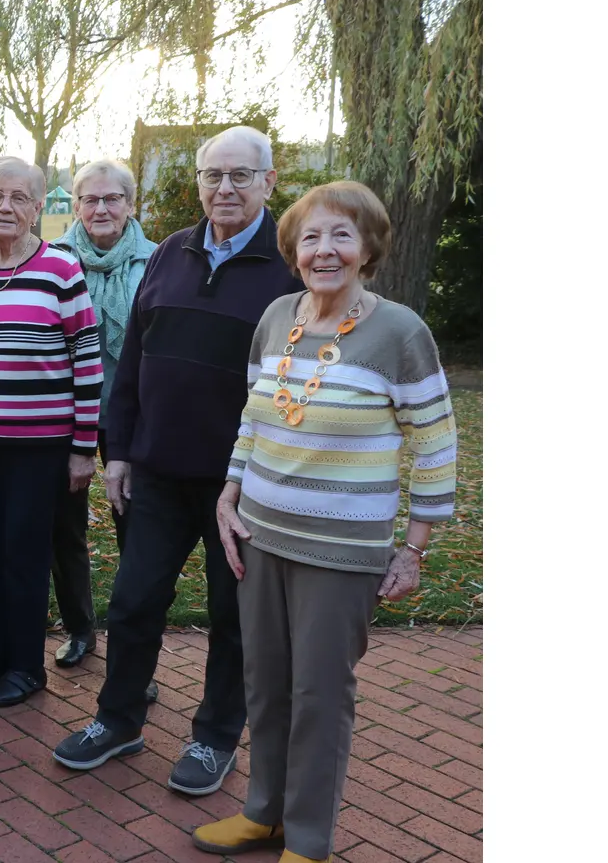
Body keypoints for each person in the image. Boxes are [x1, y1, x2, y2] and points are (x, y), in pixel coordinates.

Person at [192, 181, 457, 863]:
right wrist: (229, 493)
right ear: (293, 250)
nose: (324, 251)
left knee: (318, 694)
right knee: (266, 685)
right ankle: (264, 815)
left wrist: (415, 549)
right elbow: (255, 415)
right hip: (260, 538)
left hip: (340, 553)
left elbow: (434, 442)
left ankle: (307, 841)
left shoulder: (399, 332)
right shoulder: (278, 317)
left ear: (367, 247)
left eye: (341, 235)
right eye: (310, 238)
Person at [53, 126, 303, 796]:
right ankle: (118, 719)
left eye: (240, 176)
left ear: (268, 183)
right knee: (133, 603)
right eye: (212, 176)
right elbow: (132, 359)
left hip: (243, 486)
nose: (224, 188)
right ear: (198, 183)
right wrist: (119, 452)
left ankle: (215, 737)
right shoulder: (169, 253)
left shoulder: (290, 271)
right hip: (157, 472)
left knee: (233, 620)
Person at [0, 156, 101, 709]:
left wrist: (83, 450)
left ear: (38, 208)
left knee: (23, 553)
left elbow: (87, 362)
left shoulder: (60, 271)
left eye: (19, 198)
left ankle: (27, 665)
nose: (6, 207)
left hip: (40, 447)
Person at [46, 160, 158, 669]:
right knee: (63, 527)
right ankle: (79, 628)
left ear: (130, 204)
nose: (101, 209)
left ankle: (133, 652)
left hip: (130, 414)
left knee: (134, 527)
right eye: (89, 199)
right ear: (75, 205)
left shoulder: (158, 262)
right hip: (62, 412)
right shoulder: (51, 260)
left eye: (112, 199)